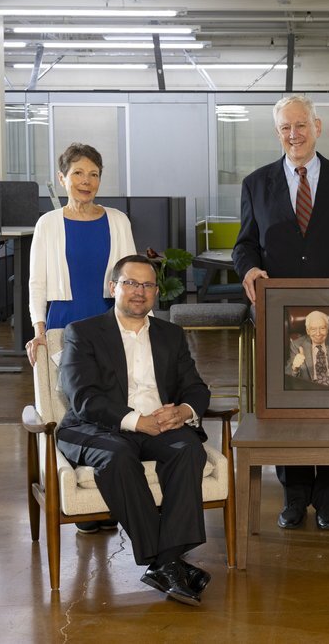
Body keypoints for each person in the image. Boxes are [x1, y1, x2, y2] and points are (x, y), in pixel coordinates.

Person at [233, 93, 329, 532]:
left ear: (318, 127)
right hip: (279, 312)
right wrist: (249, 268)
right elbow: (244, 244)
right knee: (287, 409)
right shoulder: (255, 184)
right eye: (286, 127)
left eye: (301, 125)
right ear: (277, 132)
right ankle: (294, 498)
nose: (294, 134)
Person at [56, 255, 212, 607]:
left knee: (188, 448)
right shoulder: (83, 333)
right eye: (130, 283)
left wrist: (184, 411)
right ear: (113, 288)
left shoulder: (171, 334)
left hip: (158, 424)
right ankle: (165, 561)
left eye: (147, 285)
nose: (139, 292)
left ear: (157, 292)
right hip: (99, 427)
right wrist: (134, 420)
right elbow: (83, 398)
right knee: (118, 455)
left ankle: (165, 562)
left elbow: (196, 387)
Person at [27, 142, 136, 534]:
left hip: (110, 320)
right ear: (63, 179)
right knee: (74, 407)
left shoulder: (118, 221)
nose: (86, 181)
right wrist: (38, 328)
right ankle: (81, 500)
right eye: (78, 173)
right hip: (66, 322)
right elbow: (37, 280)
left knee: (113, 401)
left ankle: (109, 494)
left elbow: (134, 279)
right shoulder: (48, 224)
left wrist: (148, 328)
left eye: (93, 174)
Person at [285, 310, 329, 390]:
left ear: (328, 329)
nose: (318, 333)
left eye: (322, 328)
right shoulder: (296, 345)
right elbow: (288, 377)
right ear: (308, 331)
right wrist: (295, 368)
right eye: (313, 329)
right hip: (310, 390)